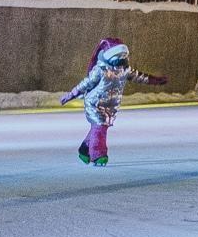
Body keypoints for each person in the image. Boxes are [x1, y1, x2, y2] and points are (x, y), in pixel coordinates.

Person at [60, 38, 168, 166]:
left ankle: (84, 150)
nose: (121, 59)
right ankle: (99, 154)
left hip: (111, 106)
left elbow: (140, 77)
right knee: (100, 127)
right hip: (95, 104)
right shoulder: (100, 70)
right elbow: (85, 84)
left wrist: (155, 80)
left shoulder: (124, 70)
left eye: (123, 56)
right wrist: (70, 95)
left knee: (100, 127)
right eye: (118, 56)